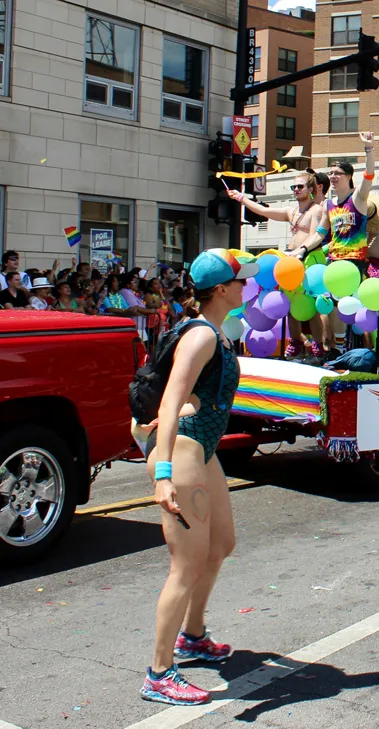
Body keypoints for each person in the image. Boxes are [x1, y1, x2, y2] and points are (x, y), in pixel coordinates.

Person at [136, 248, 257, 706]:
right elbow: (171, 400)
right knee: (185, 566)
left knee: (221, 543)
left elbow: (195, 398)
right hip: (182, 453)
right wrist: (163, 474)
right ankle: (159, 673)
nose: (247, 287)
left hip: (201, 449)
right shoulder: (201, 336)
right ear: (221, 290)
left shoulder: (215, 332)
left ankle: (193, 636)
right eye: (240, 281)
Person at [295, 131, 379, 354]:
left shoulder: (358, 198)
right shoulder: (328, 205)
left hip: (355, 262)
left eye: (337, 173)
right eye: (330, 173)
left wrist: (369, 149)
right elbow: (320, 233)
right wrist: (302, 249)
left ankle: (374, 352)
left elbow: (369, 175)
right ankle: (339, 349)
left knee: (361, 307)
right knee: (332, 306)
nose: (332, 177)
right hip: (334, 261)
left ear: (348, 176)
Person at [230, 171, 325, 358]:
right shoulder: (292, 212)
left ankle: (318, 345)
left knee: (309, 305)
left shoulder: (316, 210)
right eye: (293, 187)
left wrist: (301, 251)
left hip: (307, 259)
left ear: (311, 189)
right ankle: (296, 342)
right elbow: (263, 211)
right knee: (289, 305)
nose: (296, 189)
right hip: (290, 260)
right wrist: (241, 198)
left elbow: (316, 236)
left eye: (300, 186)